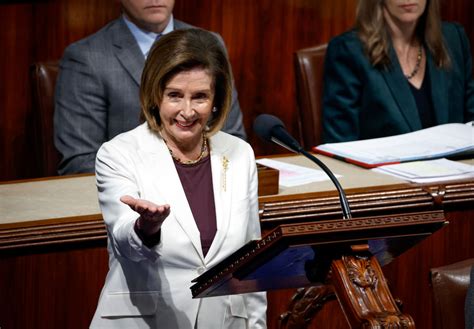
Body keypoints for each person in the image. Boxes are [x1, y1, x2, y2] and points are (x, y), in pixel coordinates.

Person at [90, 28, 267, 328]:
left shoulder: (239, 154)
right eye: (174, 95)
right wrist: (145, 228)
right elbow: (122, 238)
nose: (187, 111)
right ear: (156, 95)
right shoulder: (119, 153)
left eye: (200, 97)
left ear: (216, 101)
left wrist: (257, 325)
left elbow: (250, 261)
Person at [54, 0, 246, 175]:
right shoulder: (86, 57)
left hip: (210, 188)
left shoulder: (211, 44)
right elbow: (81, 162)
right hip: (132, 200)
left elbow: (233, 140)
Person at [322, 0, 474, 143]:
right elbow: (340, 145)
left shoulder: (454, 39)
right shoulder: (348, 51)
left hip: (457, 168)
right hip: (379, 170)